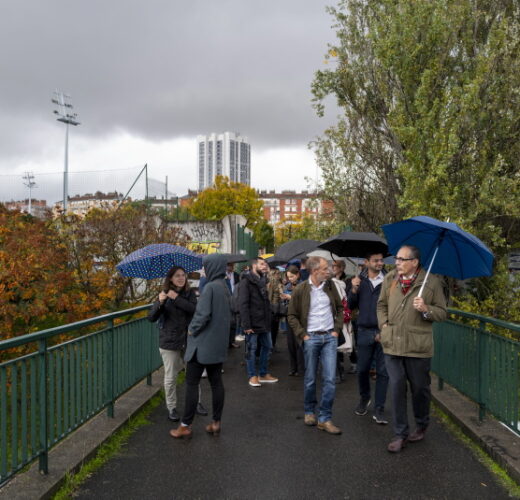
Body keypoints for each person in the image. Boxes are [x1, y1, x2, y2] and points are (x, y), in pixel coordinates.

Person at [377, 245, 447, 452]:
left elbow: (442, 313)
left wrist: (426, 309)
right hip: (393, 344)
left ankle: (422, 423)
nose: (396, 262)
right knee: (397, 387)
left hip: (418, 347)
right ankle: (400, 433)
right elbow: (381, 305)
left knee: (420, 389)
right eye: (396, 259)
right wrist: (383, 324)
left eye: (401, 259)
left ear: (414, 262)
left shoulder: (432, 282)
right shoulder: (390, 279)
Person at [170, 254, 231, 439]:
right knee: (216, 384)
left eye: (205, 267)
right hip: (218, 345)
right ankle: (216, 422)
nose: (203, 270)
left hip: (201, 347)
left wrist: (191, 330)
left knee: (191, 384)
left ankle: (185, 425)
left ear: (212, 267)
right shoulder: (224, 287)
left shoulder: (210, 287)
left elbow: (202, 314)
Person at [287, 256, 343, 434]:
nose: (329, 271)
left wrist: (336, 330)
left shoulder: (330, 286)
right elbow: (292, 316)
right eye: (325, 268)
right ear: (314, 271)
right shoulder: (301, 289)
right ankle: (309, 411)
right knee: (310, 378)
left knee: (330, 380)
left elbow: (341, 308)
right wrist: (303, 335)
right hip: (311, 338)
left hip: (329, 338)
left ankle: (325, 418)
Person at [148, 266, 207, 422]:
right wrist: (160, 303)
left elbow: (194, 310)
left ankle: (197, 403)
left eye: (183, 275)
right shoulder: (164, 295)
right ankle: (172, 407)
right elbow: (152, 317)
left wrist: (176, 298)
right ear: (170, 279)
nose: (181, 278)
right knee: (170, 377)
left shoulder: (191, 294)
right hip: (169, 341)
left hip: (189, 339)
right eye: (177, 276)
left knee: (193, 374)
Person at [348, 252, 389, 424]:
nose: (380, 263)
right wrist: (354, 289)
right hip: (364, 331)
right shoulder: (358, 280)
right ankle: (365, 398)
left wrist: (385, 328)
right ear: (366, 262)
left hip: (383, 331)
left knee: (383, 372)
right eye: (376, 260)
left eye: (381, 260)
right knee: (362, 369)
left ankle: (379, 407)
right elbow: (350, 305)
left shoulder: (389, 280)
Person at [239, 257, 279, 387]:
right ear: (254, 265)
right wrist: (246, 324)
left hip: (264, 322)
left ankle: (263, 374)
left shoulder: (264, 280)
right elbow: (243, 304)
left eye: (265, 264)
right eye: (262, 264)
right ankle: (252, 376)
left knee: (268, 346)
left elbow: (265, 302)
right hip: (252, 323)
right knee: (251, 350)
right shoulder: (246, 281)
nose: (265, 266)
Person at [282, 265, 305, 376]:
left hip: (300, 318)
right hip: (289, 317)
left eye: (292, 276)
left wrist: (290, 298)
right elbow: (284, 303)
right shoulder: (287, 286)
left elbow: (305, 301)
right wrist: (284, 299)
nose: (290, 279)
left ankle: (301, 369)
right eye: (288, 277)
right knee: (290, 343)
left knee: (299, 343)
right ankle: (293, 367)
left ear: (298, 275)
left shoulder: (304, 285)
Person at [267, 268, 284, 349]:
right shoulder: (270, 284)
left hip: (278, 309)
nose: (279, 275)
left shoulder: (279, 283)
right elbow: (269, 298)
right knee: (272, 328)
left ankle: (273, 344)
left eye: (279, 274)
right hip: (273, 309)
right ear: (273, 274)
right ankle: (271, 345)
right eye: (277, 274)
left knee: (275, 328)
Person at [225, 262, 240, 348]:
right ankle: (226, 341)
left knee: (234, 321)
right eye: (228, 265)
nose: (230, 267)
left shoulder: (236, 275)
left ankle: (232, 341)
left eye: (231, 265)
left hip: (235, 299)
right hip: (226, 299)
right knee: (226, 321)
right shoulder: (222, 275)